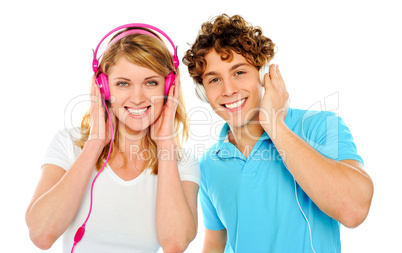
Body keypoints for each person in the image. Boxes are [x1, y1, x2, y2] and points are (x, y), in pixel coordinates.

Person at [183, 14, 374, 252]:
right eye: (214, 79)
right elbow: (214, 244)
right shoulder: (209, 164)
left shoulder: (320, 126)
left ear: (264, 75)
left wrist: (275, 126)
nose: (229, 90)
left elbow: (354, 210)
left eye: (239, 72)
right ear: (203, 92)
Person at [25, 24, 200, 253]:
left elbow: (175, 244)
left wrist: (166, 143)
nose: (137, 98)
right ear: (104, 88)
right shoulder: (68, 144)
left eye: (151, 82)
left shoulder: (182, 163)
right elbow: (41, 235)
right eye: (123, 83)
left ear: (169, 87)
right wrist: (95, 143)